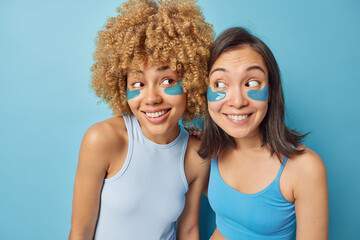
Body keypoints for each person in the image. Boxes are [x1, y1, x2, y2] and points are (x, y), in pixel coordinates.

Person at [68, 0, 214, 239]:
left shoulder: (196, 156)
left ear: (191, 81)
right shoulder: (102, 140)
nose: (151, 98)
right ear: (122, 88)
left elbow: (188, 231)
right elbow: (80, 232)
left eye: (168, 80)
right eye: (138, 84)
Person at [198, 27, 328, 240]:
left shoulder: (304, 168)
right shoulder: (208, 151)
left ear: (270, 91)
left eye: (252, 83)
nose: (238, 101)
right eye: (220, 84)